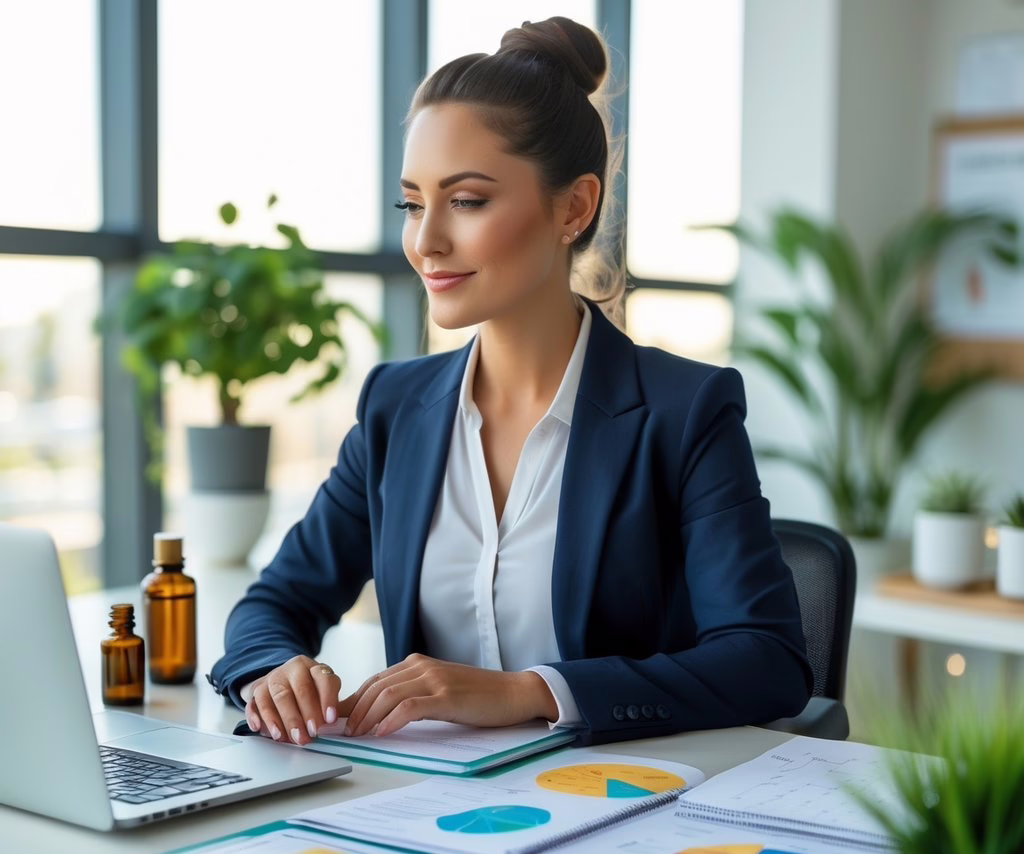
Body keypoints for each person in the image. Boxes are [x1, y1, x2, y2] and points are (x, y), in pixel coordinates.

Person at [208, 16, 812, 747]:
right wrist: (274, 671)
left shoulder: (684, 413)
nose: (425, 239)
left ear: (574, 208)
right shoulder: (395, 410)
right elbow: (275, 604)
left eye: (466, 201)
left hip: (615, 808)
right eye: (412, 203)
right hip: (416, 803)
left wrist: (526, 693)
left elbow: (766, 661)